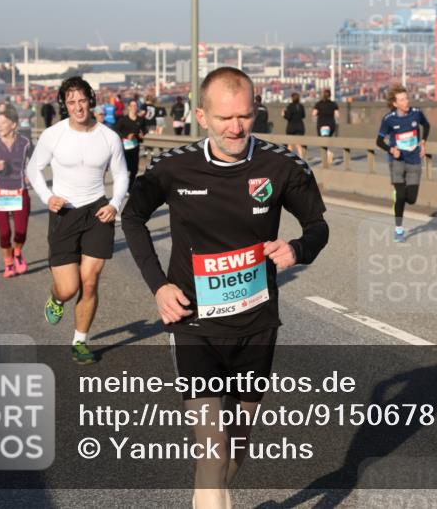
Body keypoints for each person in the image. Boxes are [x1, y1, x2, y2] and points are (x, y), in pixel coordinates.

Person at [122, 67, 329, 509]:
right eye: (224, 118)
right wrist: (158, 286)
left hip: (257, 323)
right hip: (195, 322)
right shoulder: (172, 168)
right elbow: (132, 217)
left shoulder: (282, 165)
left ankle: (207, 491)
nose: (236, 128)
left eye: (245, 116)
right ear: (201, 116)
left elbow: (318, 226)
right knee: (213, 447)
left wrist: (298, 248)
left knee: (234, 448)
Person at [26, 76, 129, 364]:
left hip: (97, 210)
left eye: (82, 100)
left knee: (91, 280)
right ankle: (57, 299)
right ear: (64, 105)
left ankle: (80, 341)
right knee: (69, 287)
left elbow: (121, 174)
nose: (77, 106)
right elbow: (34, 168)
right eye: (71, 102)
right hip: (64, 211)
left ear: (91, 100)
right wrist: (48, 197)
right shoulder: (54, 134)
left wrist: (115, 203)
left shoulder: (109, 137)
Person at [0, 107, 34, 278]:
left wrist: (30, 175)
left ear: (14, 124)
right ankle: (8, 263)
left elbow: (37, 161)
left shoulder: (25, 142)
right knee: (4, 233)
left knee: (21, 232)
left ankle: (17, 253)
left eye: (3, 122)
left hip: (19, 191)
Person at [376, 85, 430, 242]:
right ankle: (399, 229)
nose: (406, 102)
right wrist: (391, 149)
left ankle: (400, 196)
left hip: (414, 160)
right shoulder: (389, 119)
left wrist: (423, 142)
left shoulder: (416, 114)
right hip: (397, 161)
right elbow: (379, 141)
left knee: (411, 199)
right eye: (402, 100)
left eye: (406, 98)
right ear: (395, 103)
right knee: (400, 196)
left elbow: (426, 125)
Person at [115, 99, 147, 195]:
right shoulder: (123, 120)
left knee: (134, 169)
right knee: (125, 169)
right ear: (128, 107)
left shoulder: (140, 120)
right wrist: (126, 136)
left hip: (135, 146)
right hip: (124, 147)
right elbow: (116, 131)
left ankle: (129, 189)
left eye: (135, 106)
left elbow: (144, 131)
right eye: (132, 106)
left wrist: (142, 135)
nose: (134, 107)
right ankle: (123, 188)